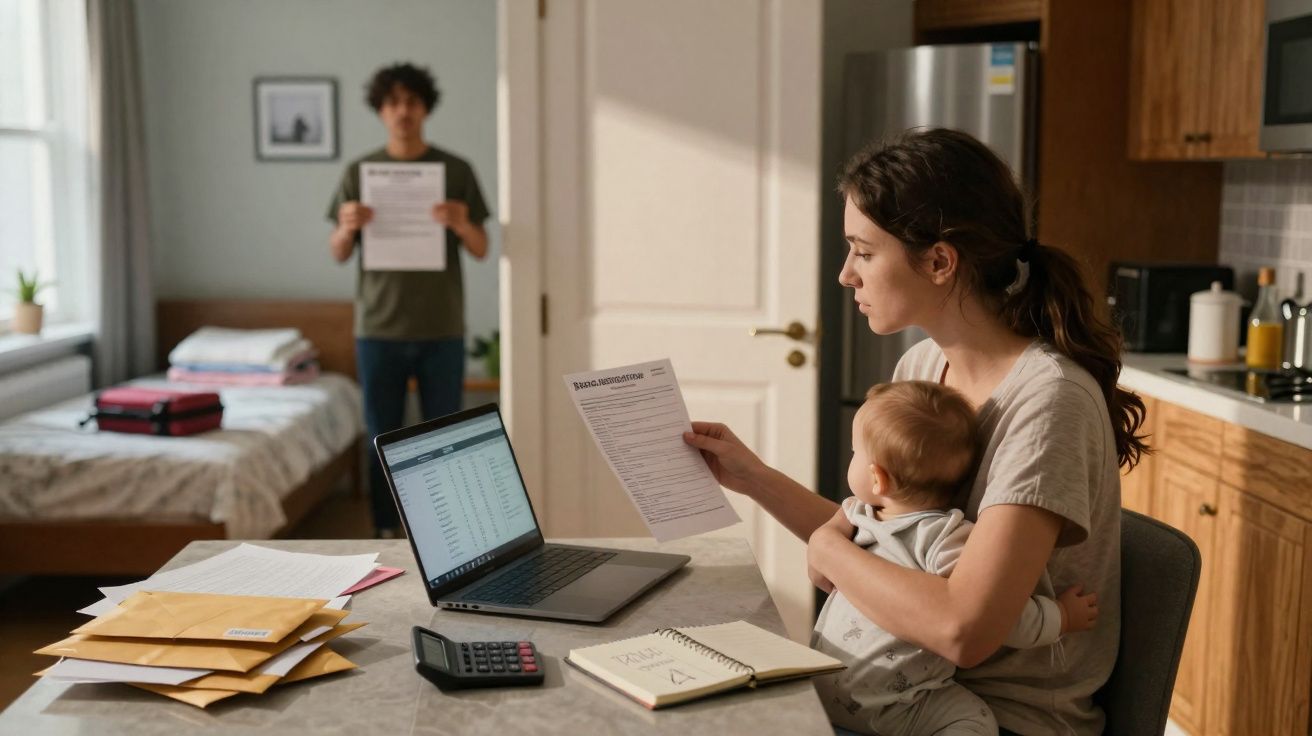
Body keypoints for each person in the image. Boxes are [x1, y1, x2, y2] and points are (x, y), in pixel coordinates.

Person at [684, 127, 1145, 735]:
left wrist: (828, 549)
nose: (847, 275)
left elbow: (965, 629)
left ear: (939, 260)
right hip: (898, 696)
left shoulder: (1048, 402)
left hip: (990, 720)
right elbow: (897, 536)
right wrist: (753, 478)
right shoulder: (924, 368)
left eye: (864, 252)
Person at [813, 380, 1098, 736]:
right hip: (886, 703)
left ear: (877, 478)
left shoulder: (939, 539)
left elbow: (995, 616)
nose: (851, 457)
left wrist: (1057, 617)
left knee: (971, 720)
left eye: (855, 452)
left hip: (857, 699)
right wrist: (1060, 617)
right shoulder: (858, 514)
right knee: (973, 723)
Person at [327, 62, 490, 538]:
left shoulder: (456, 170)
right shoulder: (359, 172)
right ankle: (386, 530)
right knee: (383, 437)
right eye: (393, 102)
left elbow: (481, 249)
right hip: (378, 328)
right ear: (380, 110)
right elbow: (338, 252)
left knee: (445, 437)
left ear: (426, 109)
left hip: (442, 327)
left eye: (412, 102)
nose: (403, 111)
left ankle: (447, 531)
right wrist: (346, 226)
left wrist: (460, 222)